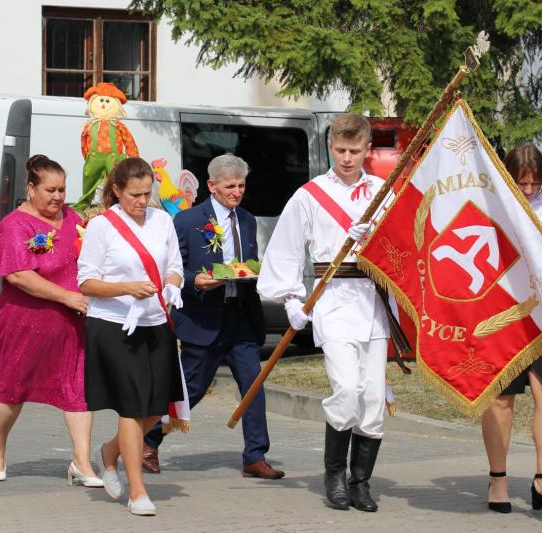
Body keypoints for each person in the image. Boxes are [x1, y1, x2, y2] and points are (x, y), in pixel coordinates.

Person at [257, 113, 390, 512]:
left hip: (373, 302)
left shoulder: (382, 193)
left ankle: (360, 482)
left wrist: (378, 238)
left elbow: (402, 248)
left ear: (368, 150)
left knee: (372, 397)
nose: (347, 158)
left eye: (354, 151)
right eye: (340, 150)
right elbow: (285, 248)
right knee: (347, 389)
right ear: (331, 147)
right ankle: (334, 476)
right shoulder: (310, 195)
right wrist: (291, 300)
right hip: (332, 301)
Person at [141, 153, 284, 480]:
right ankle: (148, 439)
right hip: (203, 318)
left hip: (241, 317)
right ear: (211, 186)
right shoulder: (188, 220)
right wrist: (196, 281)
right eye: (230, 186)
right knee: (191, 389)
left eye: (241, 186)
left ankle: (255, 455)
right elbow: (174, 268)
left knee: (253, 385)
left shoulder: (246, 219)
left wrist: (258, 272)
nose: (237, 192)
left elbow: (247, 262)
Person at [0, 154, 101, 488]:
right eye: (50, 190)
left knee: (78, 390)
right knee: (10, 391)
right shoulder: (14, 225)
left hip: (71, 325)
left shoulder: (73, 218)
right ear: (31, 188)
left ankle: (82, 462)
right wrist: (67, 296)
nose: (58, 197)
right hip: (24, 325)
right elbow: (18, 275)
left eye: (62, 190)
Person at [78, 157, 185, 516]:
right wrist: (127, 288)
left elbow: (174, 266)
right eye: (134, 194)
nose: (142, 201)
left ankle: (110, 451)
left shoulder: (162, 220)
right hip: (114, 326)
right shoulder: (102, 226)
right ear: (117, 191)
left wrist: (172, 286)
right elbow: (86, 282)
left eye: (147, 193)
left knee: (155, 408)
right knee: (132, 405)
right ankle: (137, 490)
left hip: (155, 322)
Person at [481, 143, 542, 516]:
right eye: (521, 183)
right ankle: (498, 480)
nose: (528, 190)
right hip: (503, 311)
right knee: (500, 399)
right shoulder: (492, 204)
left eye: (535, 184)